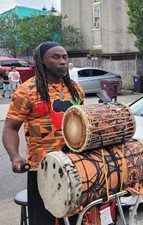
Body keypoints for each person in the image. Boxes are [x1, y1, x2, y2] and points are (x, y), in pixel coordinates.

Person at [2, 41, 84, 225]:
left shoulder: (76, 90)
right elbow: (10, 128)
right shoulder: (26, 91)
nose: (62, 61)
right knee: (44, 221)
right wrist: (15, 157)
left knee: (75, 218)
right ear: (42, 61)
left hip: (75, 165)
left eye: (64, 57)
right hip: (42, 169)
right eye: (56, 57)